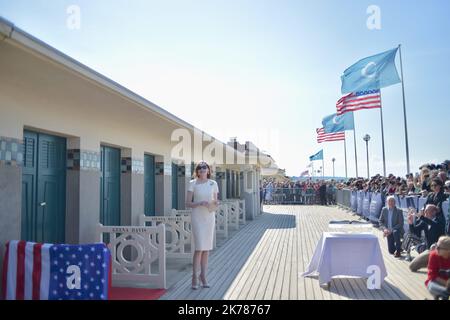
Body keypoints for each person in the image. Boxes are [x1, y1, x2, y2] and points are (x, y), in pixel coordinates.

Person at [185, 161, 219, 289]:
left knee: (206, 248)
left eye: (205, 167)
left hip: (209, 217)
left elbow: (215, 201)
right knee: (199, 247)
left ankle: (203, 276)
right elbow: (187, 203)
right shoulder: (192, 183)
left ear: (208, 170)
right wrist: (199, 203)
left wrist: (216, 203)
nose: (202, 169)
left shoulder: (213, 183)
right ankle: (194, 276)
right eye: (200, 168)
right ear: (197, 171)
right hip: (197, 217)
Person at [408, 204, 446, 272]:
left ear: (434, 212)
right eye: (424, 211)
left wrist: (420, 216)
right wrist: (410, 223)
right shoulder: (424, 221)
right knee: (412, 266)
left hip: (437, 250)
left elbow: (433, 224)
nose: (424, 212)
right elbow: (415, 231)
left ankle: (434, 263)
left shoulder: (440, 221)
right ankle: (430, 262)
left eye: (427, 211)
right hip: (427, 249)